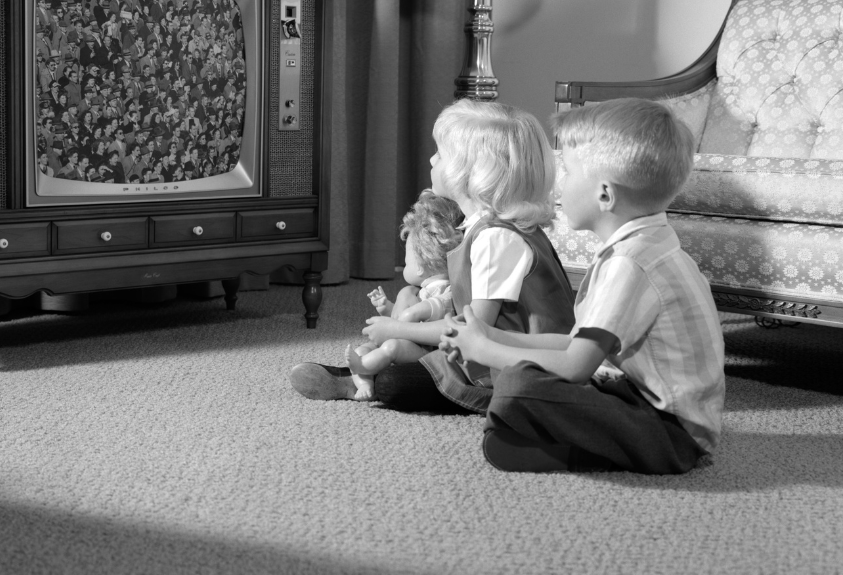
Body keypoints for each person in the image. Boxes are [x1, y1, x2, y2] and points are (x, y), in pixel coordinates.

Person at [439, 98, 724, 474]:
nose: (560, 184)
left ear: (605, 194)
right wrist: (491, 335)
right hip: (643, 401)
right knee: (517, 379)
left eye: (569, 172)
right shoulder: (642, 245)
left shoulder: (630, 264)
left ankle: (574, 454)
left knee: (520, 386)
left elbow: (574, 366)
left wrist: (485, 349)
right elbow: (574, 345)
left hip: (671, 435)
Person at [289, 100, 576, 414]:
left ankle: (361, 378)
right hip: (496, 351)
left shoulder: (497, 238)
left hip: (519, 367)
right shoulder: (488, 228)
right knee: (401, 354)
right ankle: (361, 374)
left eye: (440, 154)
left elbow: (473, 329)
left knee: (395, 383)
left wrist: (398, 329)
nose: (431, 158)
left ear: (468, 172)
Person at [347, 190, 463, 401]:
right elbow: (402, 319)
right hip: (411, 343)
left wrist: (411, 313)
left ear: (420, 266)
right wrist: (387, 307)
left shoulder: (444, 289)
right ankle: (364, 383)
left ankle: (364, 369)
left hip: (427, 352)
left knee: (392, 346)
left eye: (407, 261)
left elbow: (435, 308)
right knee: (364, 348)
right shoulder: (420, 291)